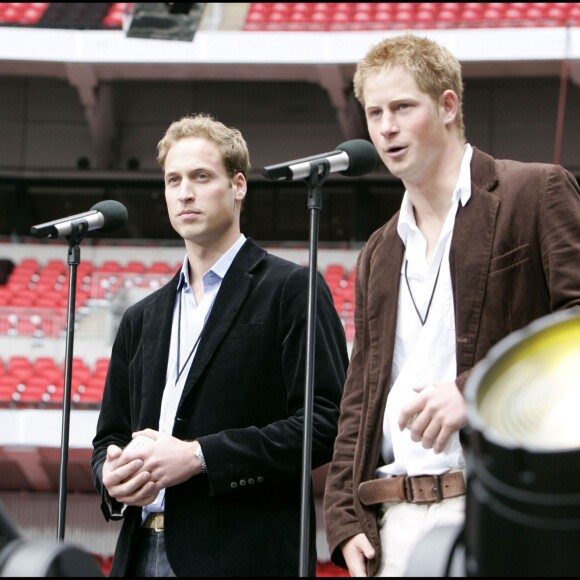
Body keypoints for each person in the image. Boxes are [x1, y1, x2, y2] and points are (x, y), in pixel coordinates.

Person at [323, 32, 580, 577]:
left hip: (498, 507)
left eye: (402, 107)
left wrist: (474, 393)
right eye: (374, 112)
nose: (386, 127)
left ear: (447, 105)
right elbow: (360, 396)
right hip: (393, 519)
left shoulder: (535, 193)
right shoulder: (379, 249)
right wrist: (344, 519)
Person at [91, 113, 349, 577]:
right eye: (173, 179)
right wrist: (110, 477)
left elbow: (326, 423)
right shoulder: (139, 318)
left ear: (238, 185)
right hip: (138, 553)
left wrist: (197, 457)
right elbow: (109, 437)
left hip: (243, 556)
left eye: (201, 177)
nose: (184, 192)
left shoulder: (292, 289)